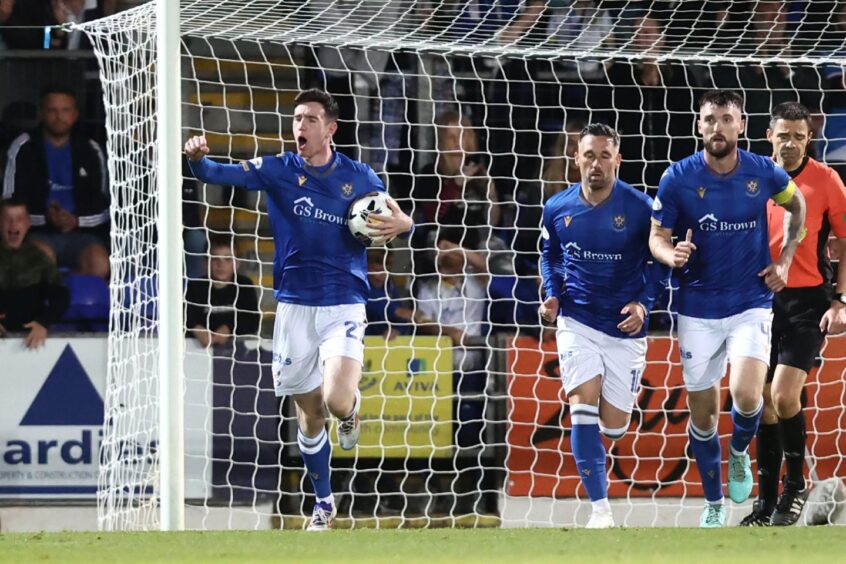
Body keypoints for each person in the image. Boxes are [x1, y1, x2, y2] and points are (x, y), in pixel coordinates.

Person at [184, 88, 413, 531]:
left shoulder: (358, 175)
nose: (300, 127)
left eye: (310, 119)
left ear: (330, 128)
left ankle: (351, 410)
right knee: (308, 415)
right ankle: (323, 504)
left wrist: (405, 223)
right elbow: (217, 172)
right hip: (293, 308)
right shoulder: (278, 170)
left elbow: (394, 214)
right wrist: (196, 159)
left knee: (335, 399)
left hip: (343, 302)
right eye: (296, 119)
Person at [649, 90, 807, 528]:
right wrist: (670, 255)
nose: (717, 127)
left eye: (726, 119)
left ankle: (738, 449)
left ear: (740, 125)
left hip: (750, 302)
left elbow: (798, 205)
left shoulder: (763, 171)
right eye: (710, 119)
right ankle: (714, 503)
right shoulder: (677, 178)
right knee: (701, 415)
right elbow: (656, 236)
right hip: (697, 307)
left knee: (748, 394)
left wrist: (786, 258)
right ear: (699, 127)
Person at [538, 123, 669, 529]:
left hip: (624, 329)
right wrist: (552, 292)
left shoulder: (640, 208)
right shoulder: (556, 207)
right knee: (582, 406)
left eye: (604, 155)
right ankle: (600, 510)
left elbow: (659, 265)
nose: (595, 164)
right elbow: (550, 255)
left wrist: (643, 305)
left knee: (613, 426)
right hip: (577, 319)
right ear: (575, 158)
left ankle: (607, 440)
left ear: (618, 160)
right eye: (589, 155)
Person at [740, 101, 846, 527]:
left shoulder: (826, 180)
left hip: (807, 302)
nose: (790, 143)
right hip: (757, 301)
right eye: (783, 135)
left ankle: (795, 486)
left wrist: (841, 300)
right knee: (762, 403)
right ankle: (766, 504)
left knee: (784, 396)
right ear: (770, 136)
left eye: (798, 137)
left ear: (809, 139)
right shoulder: (750, 178)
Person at [3, 85, 109, 279]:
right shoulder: (23, 147)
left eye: (65, 110)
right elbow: (8, 203)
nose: (59, 117)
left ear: (75, 114)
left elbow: (105, 206)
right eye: (52, 110)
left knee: (100, 264)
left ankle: (79, 305)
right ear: (41, 113)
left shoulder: (90, 149)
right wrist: (45, 218)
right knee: (40, 262)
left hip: (82, 234)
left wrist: (76, 220)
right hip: (37, 233)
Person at [0, 198, 69, 349]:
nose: (13, 225)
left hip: (32, 341)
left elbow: (61, 296)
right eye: (7, 220)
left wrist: (43, 322)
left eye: (19, 219)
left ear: (27, 223)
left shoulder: (38, 258)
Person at [185, 236, 261, 348]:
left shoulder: (244, 284)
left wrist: (228, 328)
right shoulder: (196, 286)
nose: (221, 265)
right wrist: (196, 329)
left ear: (237, 263)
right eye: (215, 259)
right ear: (205, 263)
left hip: (237, 350)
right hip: (198, 349)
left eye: (228, 259)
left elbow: (253, 320)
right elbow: (185, 316)